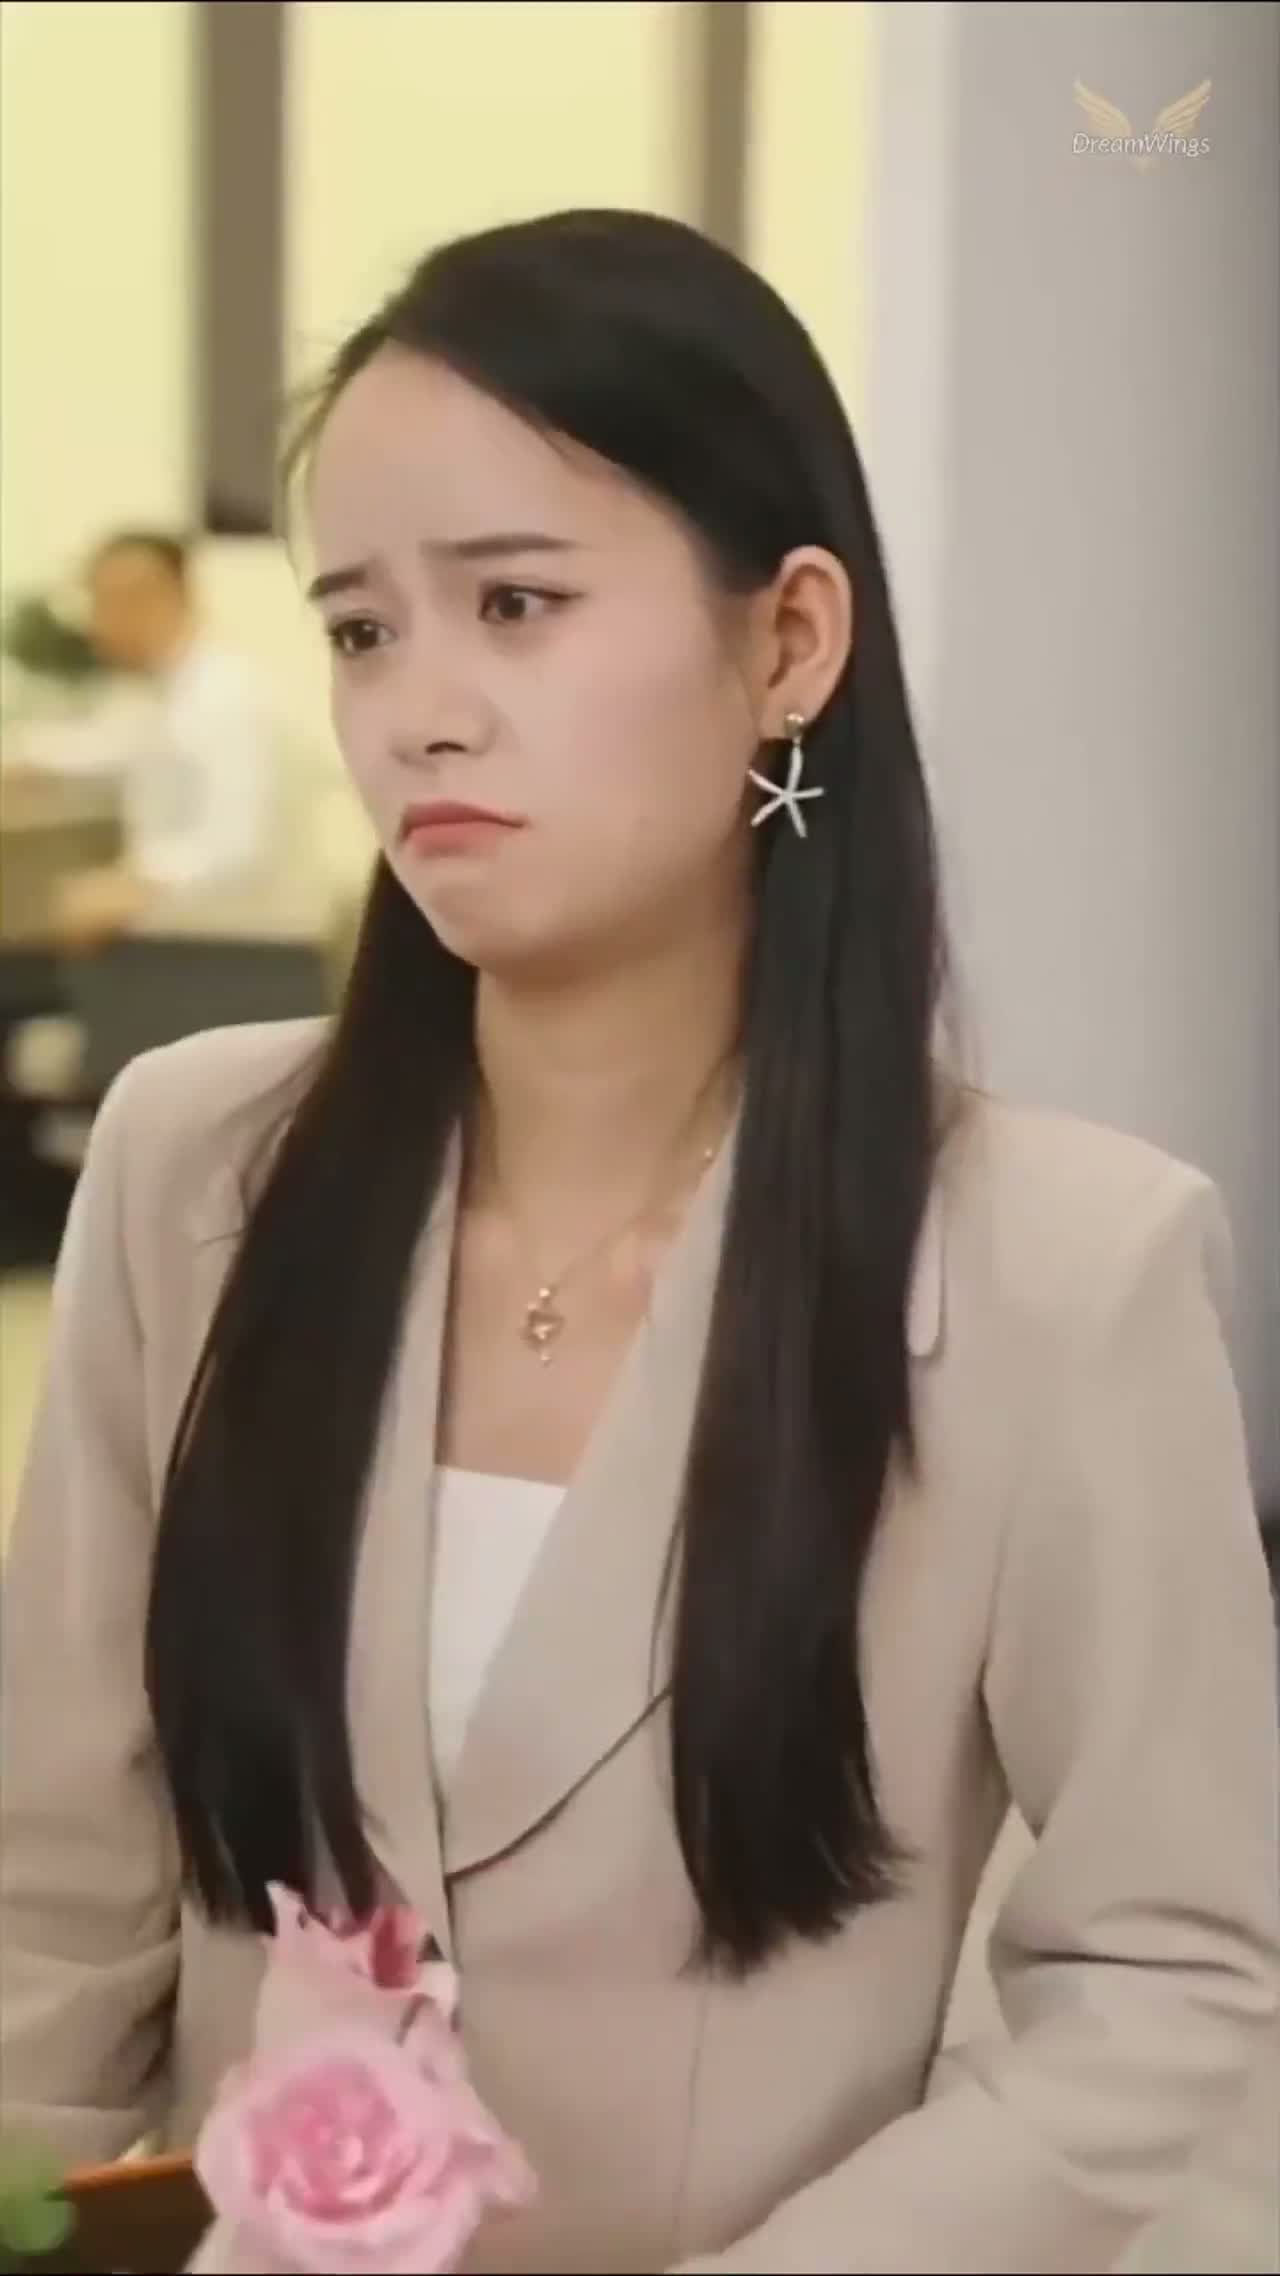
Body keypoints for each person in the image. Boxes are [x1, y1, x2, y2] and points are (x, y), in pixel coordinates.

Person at [1, 211, 1275, 2273]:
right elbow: (52, 1886)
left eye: (514, 603)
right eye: (360, 631)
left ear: (789, 643)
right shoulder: (196, 1173)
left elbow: (1177, 1982)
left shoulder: (1064, 1268)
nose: (419, 711)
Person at [7, 530, 274, 947]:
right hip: (171, 932)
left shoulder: (224, 695)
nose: (94, 626)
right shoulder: (151, 693)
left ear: (154, 600)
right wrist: (24, 762)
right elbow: (95, 749)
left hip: (230, 943)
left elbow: (237, 847)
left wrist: (135, 883)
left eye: (104, 604)